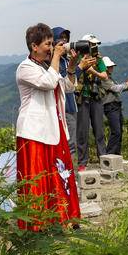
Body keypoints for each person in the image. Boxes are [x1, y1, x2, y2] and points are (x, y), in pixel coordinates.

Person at [15, 23, 94, 230]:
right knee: (38, 178)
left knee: (62, 173)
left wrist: (71, 68)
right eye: (48, 44)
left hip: (55, 128)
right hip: (34, 132)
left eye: (53, 44)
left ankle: (65, 216)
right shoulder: (25, 68)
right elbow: (48, 83)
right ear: (34, 46)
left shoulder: (46, 66)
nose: (52, 48)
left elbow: (67, 87)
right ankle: (38, 223)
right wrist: (59, 56)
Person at [75, 34, 108, 172]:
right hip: (82, 98)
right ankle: (82, 162)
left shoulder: (98, 59)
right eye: (92, 44)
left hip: (96, 97)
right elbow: (73, 74)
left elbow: (105, 76)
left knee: (99, 129)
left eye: (95, 44)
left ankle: (104, 158)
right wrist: (82, 66)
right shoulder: (77, 58)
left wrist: (92, 70)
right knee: (82, 131)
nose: (94, 47)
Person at [101, 56, 128, 156]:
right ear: (105, 67)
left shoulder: (110, 78)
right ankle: (110, 154)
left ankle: (117, 155)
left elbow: (122, 88)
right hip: (110, 106)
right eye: (110, 66)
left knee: (119, 131)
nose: (112, 68)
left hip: (116, 106)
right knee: (116, 131)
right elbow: (116, 88)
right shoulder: (104, 79)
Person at [51, 26, 78, 158]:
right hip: (60, 107)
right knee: (65, 144)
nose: (64, 42)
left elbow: (71, 84)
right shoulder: (52, 61)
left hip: (71, 105)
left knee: (72, 141)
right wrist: (79, 67)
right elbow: (58, 81)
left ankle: (70, 173)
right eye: (61, 39)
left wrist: (75, 66)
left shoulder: (66, 60)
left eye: (66, 39)